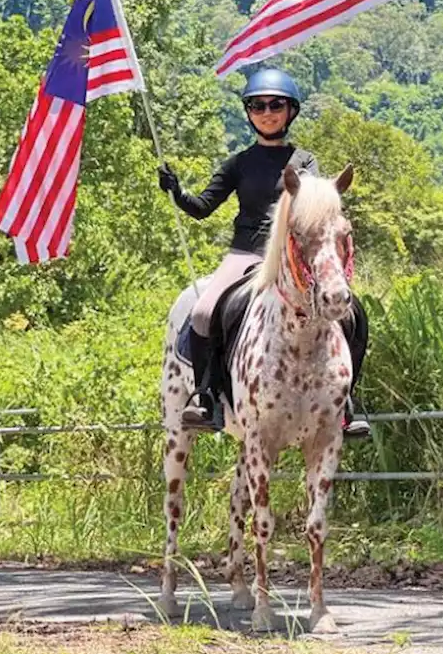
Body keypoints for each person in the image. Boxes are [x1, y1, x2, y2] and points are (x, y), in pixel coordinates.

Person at [158, 67, 369, 436]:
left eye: (276, 105)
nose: (267, 112)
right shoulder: (239, 162)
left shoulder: (304, 161)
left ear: (290, 111)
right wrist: (177, 192)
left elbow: (312, 206)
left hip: (290, 260)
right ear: (249, 112)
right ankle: (206, 396)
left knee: (353, 316)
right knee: (204, 312)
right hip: (244, 254)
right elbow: (205, 206)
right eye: (258, 105)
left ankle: (347, 401)